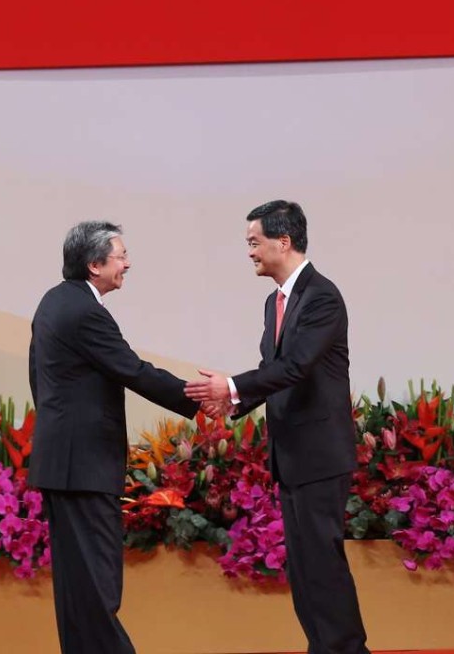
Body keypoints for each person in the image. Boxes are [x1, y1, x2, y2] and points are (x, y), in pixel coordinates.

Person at [185, 200, 369, 654]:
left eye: (254, 242)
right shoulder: (276, 301)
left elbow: (297, 366)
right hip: (292, 455)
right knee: (305, 566)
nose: (249, 252)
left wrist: (228, 385)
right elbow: (273, 367)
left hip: (320, 453)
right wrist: (234, 404)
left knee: (322, 562)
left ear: (282, 242)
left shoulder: (322, 295)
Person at [28, 221, 201, 654]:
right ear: (94, 264)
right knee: (98, 582)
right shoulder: (85, 311)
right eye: (120, 255)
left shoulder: (54, 302)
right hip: (83, 467)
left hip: (64, 463)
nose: (127, 263)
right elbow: (133, 370)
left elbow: (39, 380)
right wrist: (198, 400)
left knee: (78, 589)